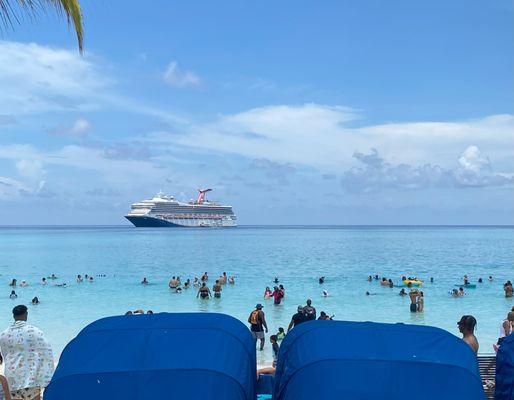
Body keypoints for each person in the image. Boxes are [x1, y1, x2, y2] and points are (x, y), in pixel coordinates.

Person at [0, 305, 54, 400]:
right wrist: (45, 377)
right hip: (31, 378)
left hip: (13, 379)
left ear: (13, 316)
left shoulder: (4, 334)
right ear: (26, 315)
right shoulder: (35, 331)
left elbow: (5, 355)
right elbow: (46, 352)